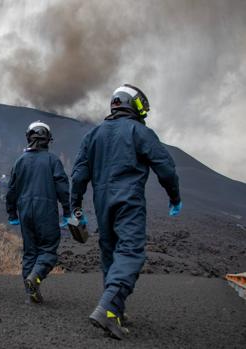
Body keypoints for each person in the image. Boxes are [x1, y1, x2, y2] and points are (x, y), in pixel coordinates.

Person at [71, 84, 182, 339]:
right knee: (131, 251)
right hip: (128, 200)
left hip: (102, 204)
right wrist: (174, 197)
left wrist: (75, 207)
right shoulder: (139, 131)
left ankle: (115, 312)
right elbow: (165, 166)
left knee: (110, 254)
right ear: (135, 104)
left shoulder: (93, 135)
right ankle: (108, 307)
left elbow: (78, 175)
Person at [6, 121, 70, 304]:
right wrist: (67, 211)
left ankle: (31, 294)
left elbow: (11, 190)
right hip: (46, 210)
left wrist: (12, 214)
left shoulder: (20, 161)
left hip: (25, 211)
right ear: (48, 139)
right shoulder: (52, 161)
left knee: (30, 252)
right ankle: (36, 276)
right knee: (48, 249)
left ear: (29, 137)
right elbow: (63, 188)